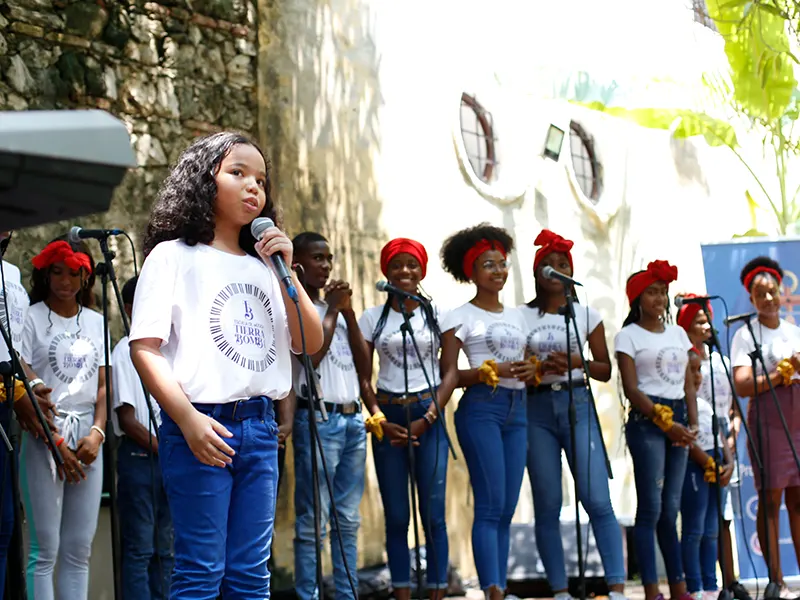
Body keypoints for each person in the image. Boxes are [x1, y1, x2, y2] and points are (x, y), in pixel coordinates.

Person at [129, 131, 323, 599]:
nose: (253, 186)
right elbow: (145, 349)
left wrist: (287, 271)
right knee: (200, 571)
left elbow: (308, 342)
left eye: (260, 178)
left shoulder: (269, 267)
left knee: (251, 576)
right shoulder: (173, 256)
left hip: (260, 427)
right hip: (202, 424)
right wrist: (187, 420)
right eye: (237, 172)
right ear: (203, 179)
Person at [520, 230, 626, 600]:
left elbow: (603, 368)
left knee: (597, 498)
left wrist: (575, 362)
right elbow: (515, 363)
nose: (557, 269)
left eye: (564, 264)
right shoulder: (522, 315)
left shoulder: (585, 314)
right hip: (536, 407)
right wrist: (535, 366)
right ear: (538, 273)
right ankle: (561, 590)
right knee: (547, 502)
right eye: (549, 264)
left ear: (570, 273)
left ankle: (616, 587)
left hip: (577, 402)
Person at [438, 224, 536, 600]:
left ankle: (500, 585)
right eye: (488, 265)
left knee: (508, 507)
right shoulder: (458, 315)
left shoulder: (520, 316)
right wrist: (486, 372)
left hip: (519, 411)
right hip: (482, 410)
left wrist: (531, 369)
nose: (498, 271)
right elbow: (449, 375)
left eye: (502, 264)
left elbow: (528, 362)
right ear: (472, 272)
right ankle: (493, 590)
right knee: (491, 505)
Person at [358, 238, 449, 600]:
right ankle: (401, 592)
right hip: (389, 414)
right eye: (397, 265)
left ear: (422, 270)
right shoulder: (371, 318)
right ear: (386, 272)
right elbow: (364, 378)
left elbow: (450, 373)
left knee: (433, 514)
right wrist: (378, 418)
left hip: (429, 412)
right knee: (397, 514)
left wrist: (429, 416)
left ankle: (438, 589)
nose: (405, 271)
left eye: (412, 265)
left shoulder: (436, 314)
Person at [20, 237, 108, 600]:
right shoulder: (30, 316)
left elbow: (105, 386)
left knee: (78, 549)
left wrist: (98, 433)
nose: (65, 281)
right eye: (57, 272)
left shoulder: (97, 322)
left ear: (86, 277)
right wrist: (53, 439)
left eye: (74, 273)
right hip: (45, 433)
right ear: (45, 273)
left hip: (89, 434)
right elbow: (21, 370)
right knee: (45, 549)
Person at [291, 232, 370, 600]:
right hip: (318, 421)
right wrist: (334, 311)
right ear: (298, 265)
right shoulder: (297, 308)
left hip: (353, 421)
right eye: (317, 258)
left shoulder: (336, 311)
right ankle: (309, 595)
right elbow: (310, 356)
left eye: (329, 259)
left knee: (348, 520)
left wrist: (349, 314)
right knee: (313, 522)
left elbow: (364, 366)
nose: (325, 266)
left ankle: (347, 594)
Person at [615, 260, 697, 600]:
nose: (659, 298)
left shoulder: (679, 333)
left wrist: (691, 423)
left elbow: (689, 383)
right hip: (647, 420)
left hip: (678, 415)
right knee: (650, 507)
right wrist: (667, 423)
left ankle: (678, 587)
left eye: (662, 292)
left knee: (671, 508)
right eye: (652, 292)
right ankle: (651, 588)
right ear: (637, 299)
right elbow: (632, 389)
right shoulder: (628, 336)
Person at [730, 256, 800, 598]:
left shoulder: (793, 331)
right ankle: (777, 582)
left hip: (798, 421)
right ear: (751, 298)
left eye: (772, 291)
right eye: (761, 294)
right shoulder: (745, 335)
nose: (769, 299)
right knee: (770, 500)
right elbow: (742, 385)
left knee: (799, 501)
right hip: (769, 422)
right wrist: (782, 373)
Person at [676, 294, 752, 600]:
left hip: (722, 441)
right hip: (698, 444)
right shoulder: (685, 362)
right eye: (698, 320)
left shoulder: (720, 360)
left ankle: (720, 583)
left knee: (721, 518)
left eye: (707, 318)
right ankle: (697, 585)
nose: (706, 324)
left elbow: (732, 406)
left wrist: (730, 440)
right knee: (699, 522)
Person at [0, 230, 56, 596]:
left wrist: (25, 389)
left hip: (5, 404)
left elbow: (9, 349)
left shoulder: (10, 275)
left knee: (6, 523)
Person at [112, 275, 174, 599]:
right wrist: (167, 448)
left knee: (166, 548)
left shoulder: (169, 352)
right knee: (140, 548)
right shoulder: (124, 351)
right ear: (129, 308)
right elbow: (128, 419)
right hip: (140, 459)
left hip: (166, 457)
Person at [681, 349, 734, 600]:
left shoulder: (704, 404)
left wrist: (730, 462)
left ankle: (712, 586)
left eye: (699, 370)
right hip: (697, 467)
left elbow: (721, 436)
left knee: (713, 529)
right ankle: (695, 587)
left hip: (717, 465)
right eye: (691, 370)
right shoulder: (680, 405)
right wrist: (707, 463)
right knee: (695, 530)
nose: (697, 376)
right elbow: (688, 442)